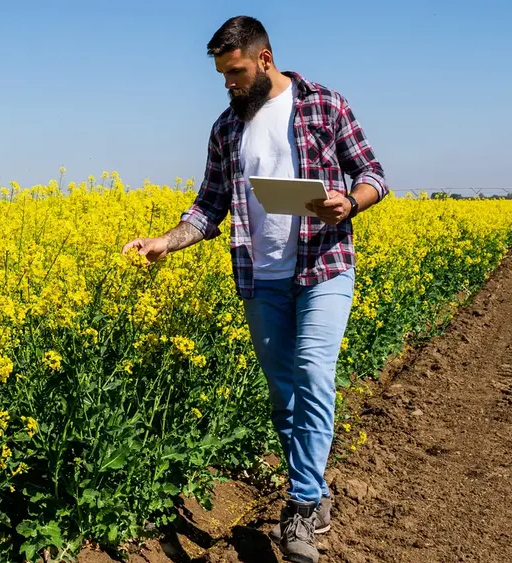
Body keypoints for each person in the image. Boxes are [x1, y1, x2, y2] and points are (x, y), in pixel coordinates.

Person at [121, 15, 388, 563]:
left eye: (236, 72)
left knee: (313, 371)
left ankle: (302, 505)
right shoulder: (226, 128)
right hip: (260, 276)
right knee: (283, 394)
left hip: (324, 265)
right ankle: (314, 489)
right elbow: (208, 206)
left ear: (264, 59)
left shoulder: (325, 105)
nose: (229, 83)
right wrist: (165, 242)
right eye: (223, 75)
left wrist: (350, 202)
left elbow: (373, 175)